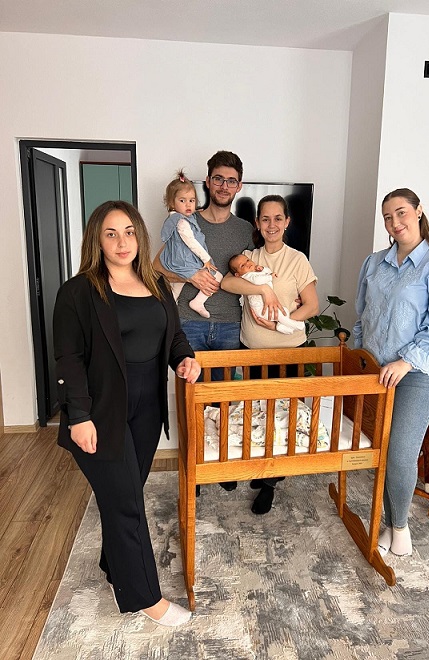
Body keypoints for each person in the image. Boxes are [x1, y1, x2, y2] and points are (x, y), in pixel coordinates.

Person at [53, 200, 201, 626]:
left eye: (129, 232)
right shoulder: (79, 291)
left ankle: (114, 566)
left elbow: (174, 336)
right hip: (100, 411)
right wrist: (79, 416)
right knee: (127, 505)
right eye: (111, 234)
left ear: (140, 235)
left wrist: (185, 358)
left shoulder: (156, 283)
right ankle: (145, 597)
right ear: (97, 241)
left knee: (126, 494)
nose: (122, 242)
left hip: (147, 408)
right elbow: (68, 359)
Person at [354, 188, 429, 557]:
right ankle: (388, 522)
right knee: (382, 451)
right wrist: (360, 357)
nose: (394, 222)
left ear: (418, 212)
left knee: (401, 452)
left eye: (401, 212)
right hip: (376, 373)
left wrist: (405, 362)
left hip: (417, 374)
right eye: (387, 217)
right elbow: (363, 317)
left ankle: (399, 528)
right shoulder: (374, 263)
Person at [154, 151, 255, 492]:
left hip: (229, 324)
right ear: (208, 182)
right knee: (191, 399)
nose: (224, 186)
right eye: (218, 179)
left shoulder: (245, 230)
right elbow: (156, 267)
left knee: (224, 400)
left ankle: (222, 463)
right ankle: (195, 467)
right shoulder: (185, 217)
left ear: (239, 186)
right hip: (188, 323)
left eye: (231, 180)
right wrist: (191, 276)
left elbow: (251, 272)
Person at [222, 195, 319, 513]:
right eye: (265, 218)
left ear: (287, 222)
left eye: (278, 218)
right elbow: (227, 284)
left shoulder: (297, 260)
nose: (271, 224)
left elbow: (312, 306)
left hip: (288, 352)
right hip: (252, 352)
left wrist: (282, 321)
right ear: (257, 223)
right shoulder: (248, 257)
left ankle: (270, 483)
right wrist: (263, 289)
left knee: (283, 418)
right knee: (256, 415)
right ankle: (256, 466)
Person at [160, 169, 223, 318]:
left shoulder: (175, 218)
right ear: (172, 203)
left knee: (176, 288)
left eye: (192, 201)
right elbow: (192, 242)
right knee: (217, 276)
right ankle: (198, 302)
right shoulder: (182, 222)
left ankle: (167, 309)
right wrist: (206, 259)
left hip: (176, 260)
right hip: (186, 260)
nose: (188, 205)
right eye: (182, 201)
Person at [228, 254, 305, 335]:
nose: (247, 264)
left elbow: (268, 272)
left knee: (284, 311)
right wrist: (270, 277)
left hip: (265, 306)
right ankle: (296, 326)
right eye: (242, 265)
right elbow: (257, 281)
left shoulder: (256, 272)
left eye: (247, 260)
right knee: (280, 315)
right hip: (260, 308)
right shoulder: (247, 276)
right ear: (238, 274)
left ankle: (283, 328)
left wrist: (263, 269)